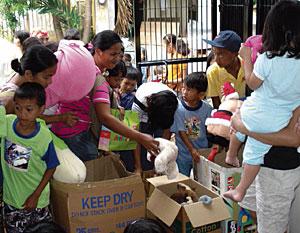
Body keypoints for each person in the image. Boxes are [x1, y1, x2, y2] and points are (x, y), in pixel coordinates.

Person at [224, 0, 300, 203]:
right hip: (281, 120)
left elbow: (252, 83)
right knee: (256, 152)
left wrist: (246, 58)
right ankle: (241, 189)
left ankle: (231, 155)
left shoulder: (268, 59)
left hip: (256, 114)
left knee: (241, 122)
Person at [88, 30, 159, 155]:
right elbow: (105, 118)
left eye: (119, 55)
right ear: (98, 51)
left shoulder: (92, 72)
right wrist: (140, 137)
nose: (117, 59)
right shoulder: (99, 82)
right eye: (113, 54)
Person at [230, 105, 300, 233]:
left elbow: (293, 139)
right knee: (253, 209)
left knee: (272, 226)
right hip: (255, 162)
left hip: (278, 169)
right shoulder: (267, 88)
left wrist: (242, 126)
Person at [1, 82, 59, 232]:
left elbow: (52, 166)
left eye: (28, 109)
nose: (22, 114)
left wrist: (36, 194)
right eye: (18, 108)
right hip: (12, 200)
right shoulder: (6, 124)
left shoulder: (43, 136)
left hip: (37, 201)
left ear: (41, 110)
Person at [0, 45, 79, 128]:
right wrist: (59, 118)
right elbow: (29, 120)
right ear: (29, 75)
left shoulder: (19, 75)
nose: (50, 81)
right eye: (46, 77)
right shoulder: (10, 101)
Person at [170, 72, 212, 177]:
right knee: (183, 179)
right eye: (183, 88)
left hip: (201, 153)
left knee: (202, 180)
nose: (184, 92)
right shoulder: (179, 109)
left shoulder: (207, 109)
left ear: (201, 94)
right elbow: (182, 132)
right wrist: (191, 149)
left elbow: (210, 129)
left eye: (189, 90)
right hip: (184, 154)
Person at [132, 82, 178, 171]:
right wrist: (138, 166)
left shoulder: (172, 103)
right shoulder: (139, 102)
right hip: (144, 110)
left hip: (158, 111)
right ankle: (145, 168)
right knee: (143, 145)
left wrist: (158, 166)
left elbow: (165, 134)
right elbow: (135, 136)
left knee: (159, 145)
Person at [203, 30, 245, 109]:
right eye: (214, 53)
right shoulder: (213, 72)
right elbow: (217, 105)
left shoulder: (247, 65)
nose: (216, 59)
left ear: (235, 53)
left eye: (220, 54)